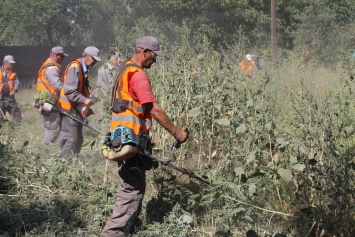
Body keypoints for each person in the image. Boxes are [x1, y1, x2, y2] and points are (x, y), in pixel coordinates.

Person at [101, 36, 189, 237]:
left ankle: (132, 225)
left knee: (133, 184)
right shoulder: (138, 74)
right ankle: (113, 233)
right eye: (154, 56)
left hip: (120, 138)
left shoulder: (123, 69)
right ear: (144, 52)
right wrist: (178, 133)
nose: (155, 60)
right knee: (132, 189)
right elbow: (153, 109)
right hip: (131, 139)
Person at [58, 46, 101, 158]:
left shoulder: (84, 68)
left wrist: (90, 97)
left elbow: (81, 88)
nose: (95, 62)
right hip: (68, 108)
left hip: (75, 109)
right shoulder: (75, 67)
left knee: (78, 139)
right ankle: (63, 164)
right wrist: (85, 99)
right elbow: (69, 92)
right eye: (94, 59)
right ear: (86, 56)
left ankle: (74, 162)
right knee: (71, 139)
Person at [36, 46, 68, 145]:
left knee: (50, 126)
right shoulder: (52, 68)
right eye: (62, 56)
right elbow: (58, 86)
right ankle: (46, 147)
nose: (63, 59)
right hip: (49, 101)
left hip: (44, 99)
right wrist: (69, 93)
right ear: (56, 55)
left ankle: (45, 146)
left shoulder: (46, 65)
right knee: (53, 126)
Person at [0, 55, 22, 123]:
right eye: (10, 63)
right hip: (0, 98)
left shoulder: (13, 72)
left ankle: (17, 129)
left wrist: (14, 90)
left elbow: (17, 82)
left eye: (12, 63)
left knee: (16, 114)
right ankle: (2, 130)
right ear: (5, 62)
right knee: (1, 116)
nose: (12, 65)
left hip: (10, 97)